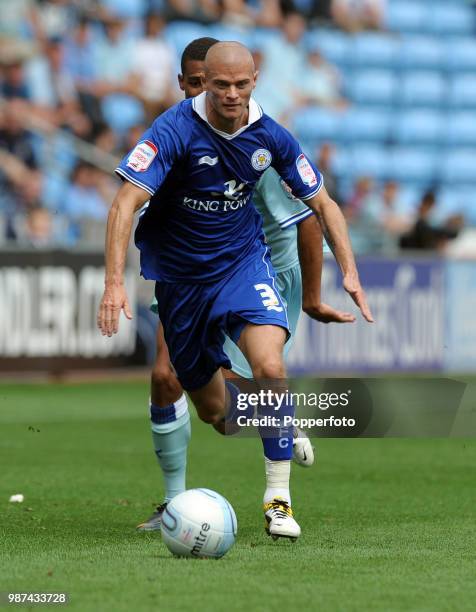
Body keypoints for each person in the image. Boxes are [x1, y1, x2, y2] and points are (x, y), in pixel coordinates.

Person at [98, 41, 373, 540]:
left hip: (244, 267)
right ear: (201, 83)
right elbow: (123, 204)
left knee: (270, 366)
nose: (229, 94)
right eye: (219, 84)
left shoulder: (272, 136)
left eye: (240, 85)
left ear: (255, 80)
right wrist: (114, 283)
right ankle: (283, 424)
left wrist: (348, 271)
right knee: (218, 414)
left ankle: (279, 503)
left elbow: (323, 207)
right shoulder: (173, 130)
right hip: (182, 282)